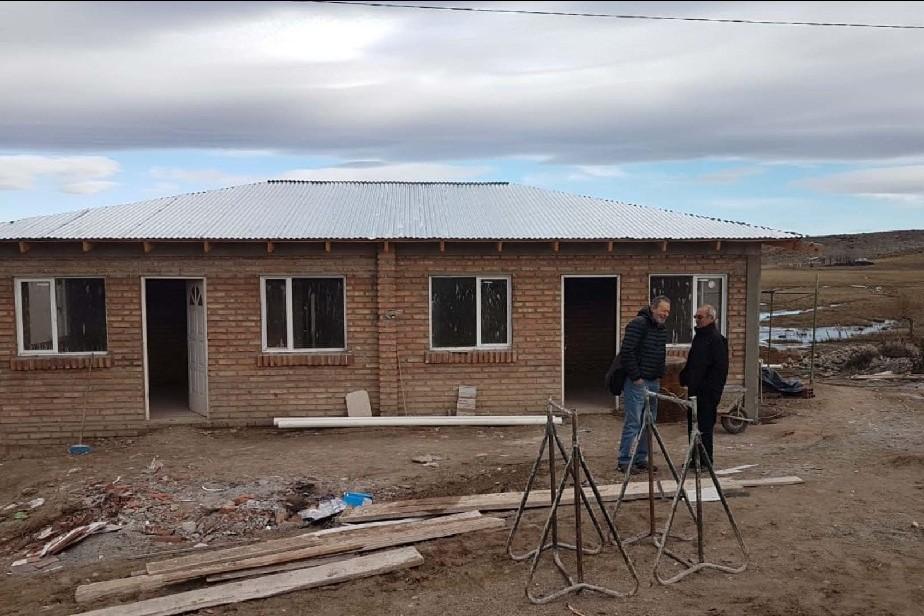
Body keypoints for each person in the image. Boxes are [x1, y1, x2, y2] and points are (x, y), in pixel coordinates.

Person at [616, 296, 670, 474]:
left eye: (668, 311)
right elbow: (627, 351)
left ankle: (641, 458)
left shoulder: (661, 328)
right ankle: (625, 460)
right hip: (638, 382)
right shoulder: (638, 324)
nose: (665, 314)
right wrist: (636, 377)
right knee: (633, 421)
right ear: (653, 308)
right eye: (663, 310)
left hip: (653, 381)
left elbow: (660, 353)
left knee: (649, 422)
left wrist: (660, 374)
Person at [679, 304, 728, 465]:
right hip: (694, 391)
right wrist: (685, 377)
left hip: (707, 393)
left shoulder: (716, 340)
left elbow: (720, 369)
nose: (696, 320)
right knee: (693, 426)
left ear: (710, 318)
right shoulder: (699, 337)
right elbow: (693, 362)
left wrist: (712, 392)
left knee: (705, 428)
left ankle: (706, 461)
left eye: (700, 317)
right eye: (695, 317)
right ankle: (695, 459)